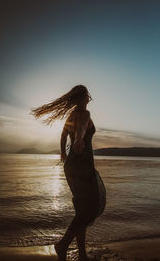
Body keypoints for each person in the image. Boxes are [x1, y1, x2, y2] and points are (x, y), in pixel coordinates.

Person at [30, 85, 106, 261]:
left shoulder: (71, 115)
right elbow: (80, 129)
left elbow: (64, 135)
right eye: (88, 95)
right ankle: (63, 244)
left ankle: (82, 255)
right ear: (85, 97)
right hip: (82, 165)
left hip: (71, 165)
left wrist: (64, 153)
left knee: (82, 210)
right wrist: (79, 140)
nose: (89, 98)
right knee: (91, 207)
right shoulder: (85, 114)